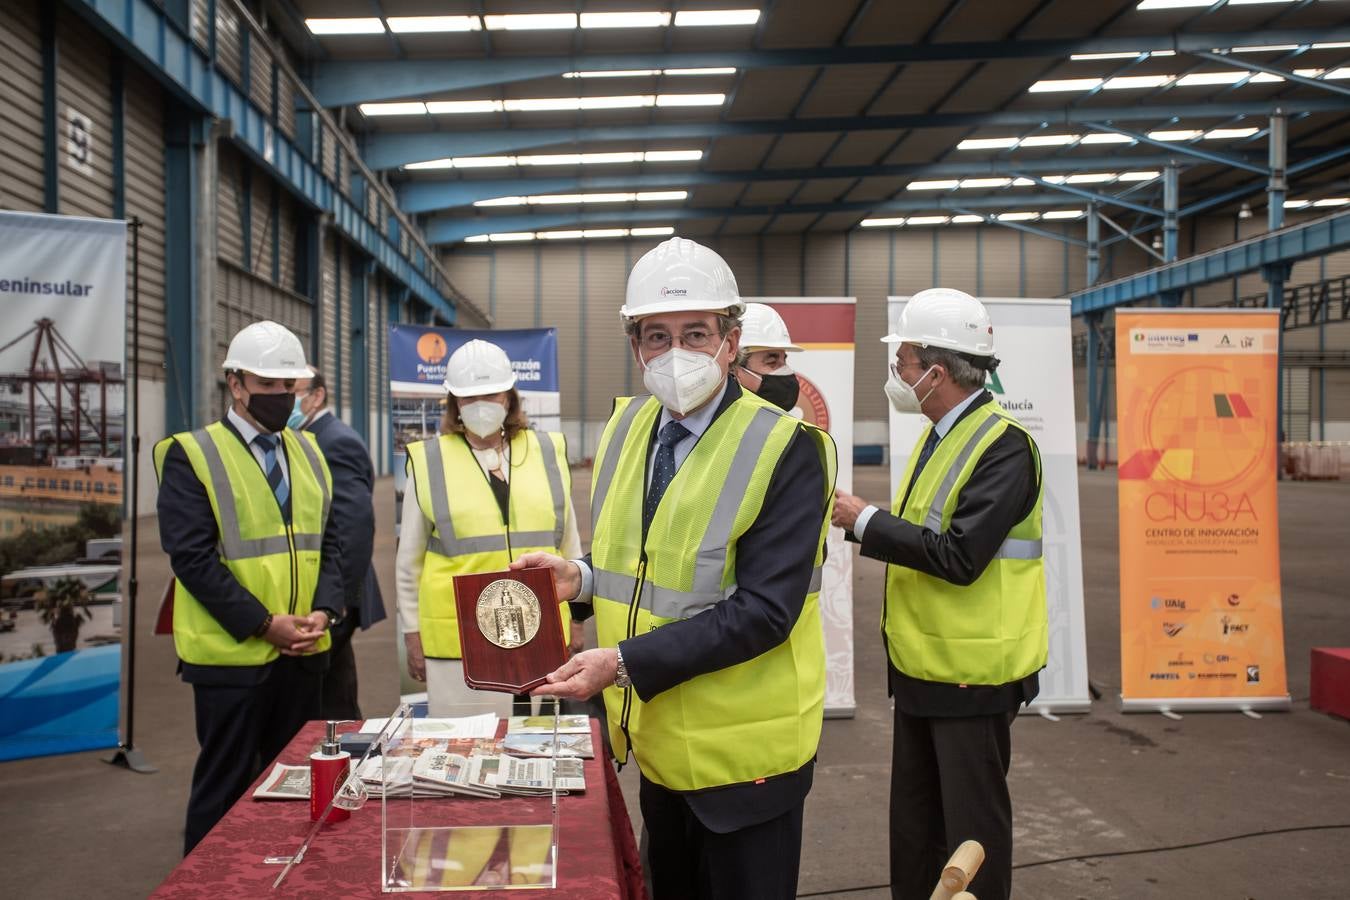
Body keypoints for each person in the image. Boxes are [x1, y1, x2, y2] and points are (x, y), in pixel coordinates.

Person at [514, 236, 837, 900]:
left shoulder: (788, 449)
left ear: (730, 339)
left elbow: (764, 612)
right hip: (662, 749)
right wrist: (580, 575)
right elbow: (643, 568)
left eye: (695, 332)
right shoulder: (630, 430)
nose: (675, 353)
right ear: (635, 345)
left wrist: (621, 662)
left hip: (747, 762)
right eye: (656, 336)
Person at [831, 288, 1047, 900]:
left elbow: (959, 555)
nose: (896, 375)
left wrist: (863, 520)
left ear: (935, 370)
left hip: (974, 675)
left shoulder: (1004, 445)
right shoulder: (943, 433)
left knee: (970, 843)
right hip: (924, 667)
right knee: (918, 831)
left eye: (901, 362)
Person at [154, 321, 344, 854]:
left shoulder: (308, 453)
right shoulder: (191, 455)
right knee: (226, 791)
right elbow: (192, 559)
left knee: (296, 790)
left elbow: (328, 543)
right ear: (237, 385)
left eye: (290, 387)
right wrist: (265, 625)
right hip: (231, 659)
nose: (282, 397)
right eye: (269, 386)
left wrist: (325, 611)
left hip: (304, 653)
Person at [396, 339, 583, 718]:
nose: (481, 405)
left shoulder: (548, 451)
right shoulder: (429, 459)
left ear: (510, 398)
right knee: (464, 751)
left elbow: (570, 545)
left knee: (537, 747)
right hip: (460, 642)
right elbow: (408, 563)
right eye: (469, 397)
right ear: (454, 404)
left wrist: (578, 620)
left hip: (540, 630)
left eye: (491, 394)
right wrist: (412, 634)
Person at [290, 369, 386, 720]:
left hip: (334, 594)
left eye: (291, 389)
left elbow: (353, 529)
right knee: (332, 688)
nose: (285, 399)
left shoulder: (333, 441)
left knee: (328, 697)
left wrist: (335, 602)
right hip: (322, 595)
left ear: (317, 396)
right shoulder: (302, 438)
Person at [734, 302, 803, 413]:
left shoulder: (791, 428)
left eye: (784, 360)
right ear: (735, 370)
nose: (785, 371)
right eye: (772, 362)